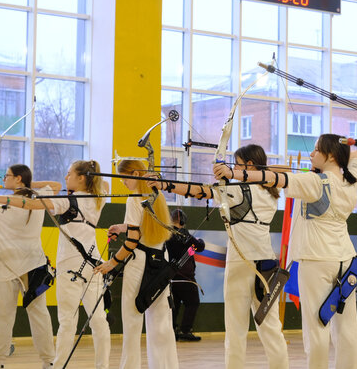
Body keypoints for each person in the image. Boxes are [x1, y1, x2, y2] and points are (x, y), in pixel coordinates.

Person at [214, 134, 357, 369]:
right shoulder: (351, 179)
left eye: (316, 150)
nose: (312, 154)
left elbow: (273, 178)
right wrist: (350, 145)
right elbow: (356, 156)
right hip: (346, 259)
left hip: (316, 260)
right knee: (347, 330)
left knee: (316, 330)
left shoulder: (315, 183)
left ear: (331, 155)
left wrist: (233, 174)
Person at [161, 144, 289, 368]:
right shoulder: (270, 193)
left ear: (249, 165)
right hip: (266, 262)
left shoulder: (240, 191)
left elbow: (200, 191)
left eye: (238, 164)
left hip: (242, 262)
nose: (234, 167)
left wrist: (166, 185)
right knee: (270, 326)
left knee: (235, 328)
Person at [0, 160, 112, 369]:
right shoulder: (98, 197)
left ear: (81, 178)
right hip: (94, 263)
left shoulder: (66, 201)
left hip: (70, 266)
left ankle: (59, 365)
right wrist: (24, 186)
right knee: (98, 320)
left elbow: (31, 204)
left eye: (69, 173)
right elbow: (102, 184)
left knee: (67, 321)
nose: (65, 177)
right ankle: (103, 366)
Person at [94, 159, 179, 369]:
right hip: (160, 261)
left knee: (132, 321)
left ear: (135, 174)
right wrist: (123, 227)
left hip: (139, 262)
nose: (123, 182)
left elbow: (132, 242)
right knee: (161, 323)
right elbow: (143, 228)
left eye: (124, 177)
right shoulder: (157, 195)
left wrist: (111, 263)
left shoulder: (134, 199)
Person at [0, 164, 57, 369]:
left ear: (19, 179)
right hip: (28, 264)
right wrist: (28, 185)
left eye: (8, 176)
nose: (4, 179)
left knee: (4, 316)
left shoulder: (0, 206)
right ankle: (48, 361)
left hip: (19, 266)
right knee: (38, 315)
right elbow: (55, 185)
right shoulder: (37, 197)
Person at [165, 209, 205, 342]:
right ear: (183, 221)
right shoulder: (184, 235)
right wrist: (199, 240)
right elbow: (199, 246)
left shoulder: (167, 234)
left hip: (171, 276)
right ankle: (185, 330)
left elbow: (193, 249)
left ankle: (172, 330)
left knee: (175, 304)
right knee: (193, 302)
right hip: (186, 277)